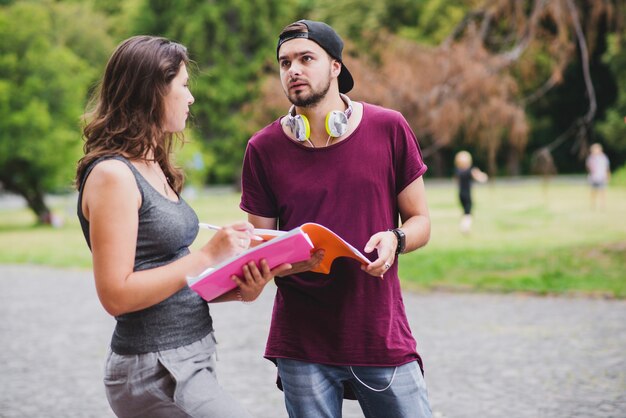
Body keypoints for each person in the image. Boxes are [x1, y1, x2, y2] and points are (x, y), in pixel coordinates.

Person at [75, 35, 291, 418]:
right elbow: (116, 295)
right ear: (153, 90)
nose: (191, 98)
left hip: (189, 356)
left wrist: (239, 287)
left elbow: (167, 276)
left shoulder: (152, 163)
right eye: (184, 86)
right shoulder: (113, 175)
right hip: (154, 367)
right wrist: (208, 254)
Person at [240, 20, 433, 418]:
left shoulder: (389, 127)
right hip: (301, 343)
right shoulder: (262, 148)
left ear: (336, 67)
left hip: (379, 333)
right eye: (284, 62)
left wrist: (395, 238)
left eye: (305, 58)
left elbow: (421, 221)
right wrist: (285, 261)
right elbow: (259, 248)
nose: (292, 70)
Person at [454, 150, 488, 233]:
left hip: (460, 194)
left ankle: (464, 225)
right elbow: (481, 178)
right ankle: (465, 227)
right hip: (467, 194)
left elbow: (456, 181)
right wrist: (484, 177)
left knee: (465, 211)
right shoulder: (470, 170)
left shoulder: (458, 171)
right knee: (468, 212)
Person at [585, 143, 610, 210]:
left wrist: (608, 176)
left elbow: (607, 168)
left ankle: (602, 205)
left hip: (602, 176)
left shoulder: (603, 158)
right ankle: (593, 205)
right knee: (593, 192)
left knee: (602, 191)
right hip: (594, 177)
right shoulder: (591, 158)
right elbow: (588, 167)